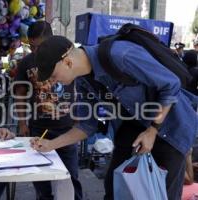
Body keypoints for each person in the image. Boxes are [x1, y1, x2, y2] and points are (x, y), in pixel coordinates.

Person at [31, 35, 198, 200]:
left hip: (170, 128)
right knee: (113, 189)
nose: (52, 82)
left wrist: (152, 130)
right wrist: (51, 144)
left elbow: (171, 84)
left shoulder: (121, 54)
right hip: (131, 130)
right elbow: (87, 126)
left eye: (52, 76)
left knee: (160, 193)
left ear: (68, 62)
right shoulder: (83, 81)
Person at [15, 22, 83, 200]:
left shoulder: (66, 58)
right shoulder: (26, 63)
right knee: (41, 179)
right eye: (31, 46)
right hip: (39, 129)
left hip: (67, 128)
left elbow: (81, 88)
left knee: (70, 178)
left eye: (39, 46)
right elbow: (20, 95)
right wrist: (22, 123)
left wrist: (79, 116)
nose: (35, 50)